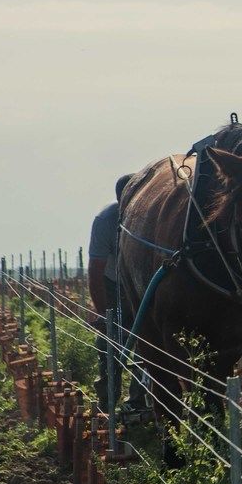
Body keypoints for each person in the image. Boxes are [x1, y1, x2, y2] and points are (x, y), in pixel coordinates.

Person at [90, 174, 145, 412]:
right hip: (113, 283)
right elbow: (95, 271)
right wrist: (104, 315)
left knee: (146, 341)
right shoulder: (105, 220)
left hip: (141, 282)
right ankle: (108, 398)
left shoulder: (147, 217)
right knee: (111, 341)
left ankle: (137, 402)